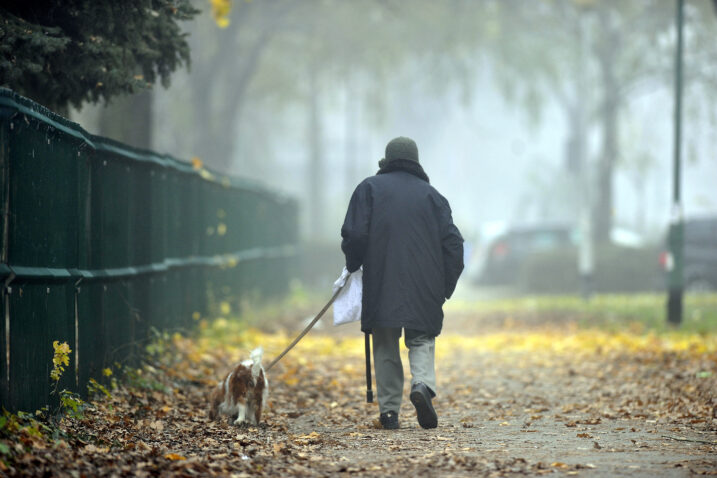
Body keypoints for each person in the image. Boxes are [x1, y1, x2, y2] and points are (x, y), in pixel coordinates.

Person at [340, 136, 464, 430]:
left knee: (385, 342)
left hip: (382, 278)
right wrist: (444, 286)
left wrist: (353, 264)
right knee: (421, 339)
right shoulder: (432, 197)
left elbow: (355, 236)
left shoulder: (368, 189)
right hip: (426, 283)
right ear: (416, 162)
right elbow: (454, 245)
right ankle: (421, 385)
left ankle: (389, 412)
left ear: (387, 160)